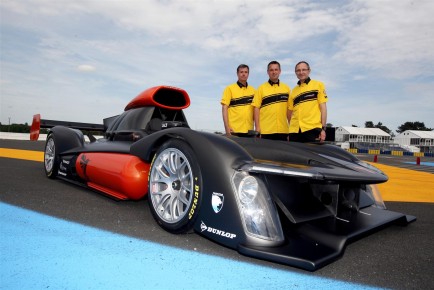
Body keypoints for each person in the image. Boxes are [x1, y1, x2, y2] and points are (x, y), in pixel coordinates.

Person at [287, 61, 328, 142]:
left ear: (309, 71)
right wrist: (290, 130)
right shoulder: (293, 91)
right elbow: (290, 112)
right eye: (298, 70)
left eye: (303, 70)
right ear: (295, 73)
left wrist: (323, 128)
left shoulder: (318, 85)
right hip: (294, 132)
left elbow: (323, 108)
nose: (301, 72)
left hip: (312, 129)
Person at [252, 61, 291, 140]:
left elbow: (289, 110)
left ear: (280, 71)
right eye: (271, 70)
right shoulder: (261, 88)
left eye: (276, 70)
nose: (274, 72)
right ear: (268, 72)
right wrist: (257, 128)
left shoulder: (286, 88)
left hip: (283, 131)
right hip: (265, 131)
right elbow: (256, 108)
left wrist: (291, 128)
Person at [221, 64, 256, 137]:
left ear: (248, 74)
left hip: (249, 131)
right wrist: (227, 128)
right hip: (234, 130)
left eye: (246, 72)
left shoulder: (253, 91)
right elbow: (224, 108)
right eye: (241, 72)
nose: (244, 74)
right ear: (237, 74)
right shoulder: (229, 89)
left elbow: (256, 110)